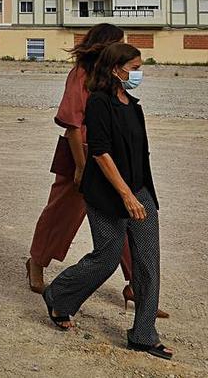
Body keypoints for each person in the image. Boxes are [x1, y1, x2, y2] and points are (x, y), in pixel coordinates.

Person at [26, 23, 168, 319]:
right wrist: (81, 167)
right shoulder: (81, 75)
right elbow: (73, 126)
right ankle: (37, 261)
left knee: (129, 218)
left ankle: (135, 285)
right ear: (103, 45)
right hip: (83, 156)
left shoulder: (112, 78)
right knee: (62, 214)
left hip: (114, 159)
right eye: (117, 42)